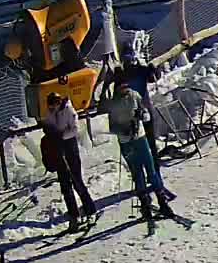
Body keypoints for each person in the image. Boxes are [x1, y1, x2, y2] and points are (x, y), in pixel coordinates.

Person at [109, 83, 175, 220]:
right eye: (122, 88)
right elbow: (111, 127)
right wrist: (122, 130)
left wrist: (142, 115)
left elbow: (146, 114)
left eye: (126, 87)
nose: (125, 90)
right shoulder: (114, 104)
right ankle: (145, 204)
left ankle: (163, 202)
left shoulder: (134, 95)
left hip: (140, 138)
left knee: (151, 170)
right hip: (126, 142)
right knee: (137, 173)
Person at [40, 92, 97, 227]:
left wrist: (62, 136)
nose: (52, 109)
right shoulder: (50, 113)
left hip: (69, 146)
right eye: (50, 106)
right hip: (58, 148)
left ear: (59, 103)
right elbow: (48, 125)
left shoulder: (68, 110)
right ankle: (74, 214)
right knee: (65, 185)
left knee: (77, 180)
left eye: (53, 106)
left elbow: (75, 129)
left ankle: (90, 210)